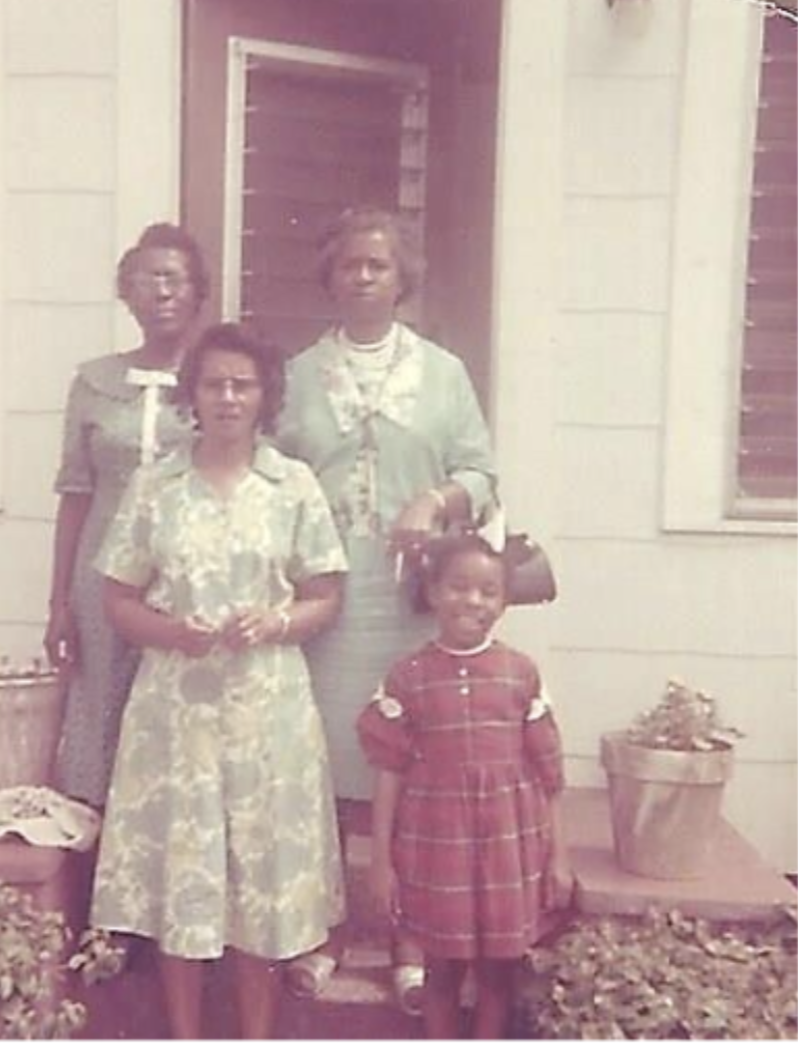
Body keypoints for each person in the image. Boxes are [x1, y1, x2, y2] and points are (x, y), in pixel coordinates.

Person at [90, 323, 348, 1039]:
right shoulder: (157, 484)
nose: (228, 397)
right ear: (192, 396)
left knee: (257, 889)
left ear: (265, 396)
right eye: (214, 384)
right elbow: (118, 599)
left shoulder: (291, 484)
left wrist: (277, 622)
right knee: (184, 881)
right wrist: (172, 632)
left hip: (266, 709)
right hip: (176, 713)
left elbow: (326, 593)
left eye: (243, 384)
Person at [276, 205, 498, 1004]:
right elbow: (270, 480)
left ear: (403, 277)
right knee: (327, 767)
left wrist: (436, 498)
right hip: (325, 599)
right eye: (349, 266)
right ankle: (326, 930)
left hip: (410, 600)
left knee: (410, 767)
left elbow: (482, 473)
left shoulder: (442, 372)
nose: (363, 277)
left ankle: (410, 937)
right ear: (330, 278)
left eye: (378, 265)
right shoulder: (297, 375)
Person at [356, 533, 569, 1039]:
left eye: (488, 591)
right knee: (442, 970)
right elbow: (388, 774)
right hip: (437, 849)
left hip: (506, 849)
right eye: (458, 587)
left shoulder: (521, 674)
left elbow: (549, 774)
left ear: (504, 601)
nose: (472, 600)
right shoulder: (409, 676)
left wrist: (558, 857)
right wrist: (381, 861)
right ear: (432, 592)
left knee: (499, 971)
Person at [44, 223, 208, 807]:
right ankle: (94, 868)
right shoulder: (93, 383)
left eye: (174, 279)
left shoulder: (219, 380)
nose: (161, 292)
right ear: (127, 293)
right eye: (147, 279)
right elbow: (75, 494)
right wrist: (59, 601)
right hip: (102, 576)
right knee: (101, 710)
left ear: (197, 292)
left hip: (189, 574)